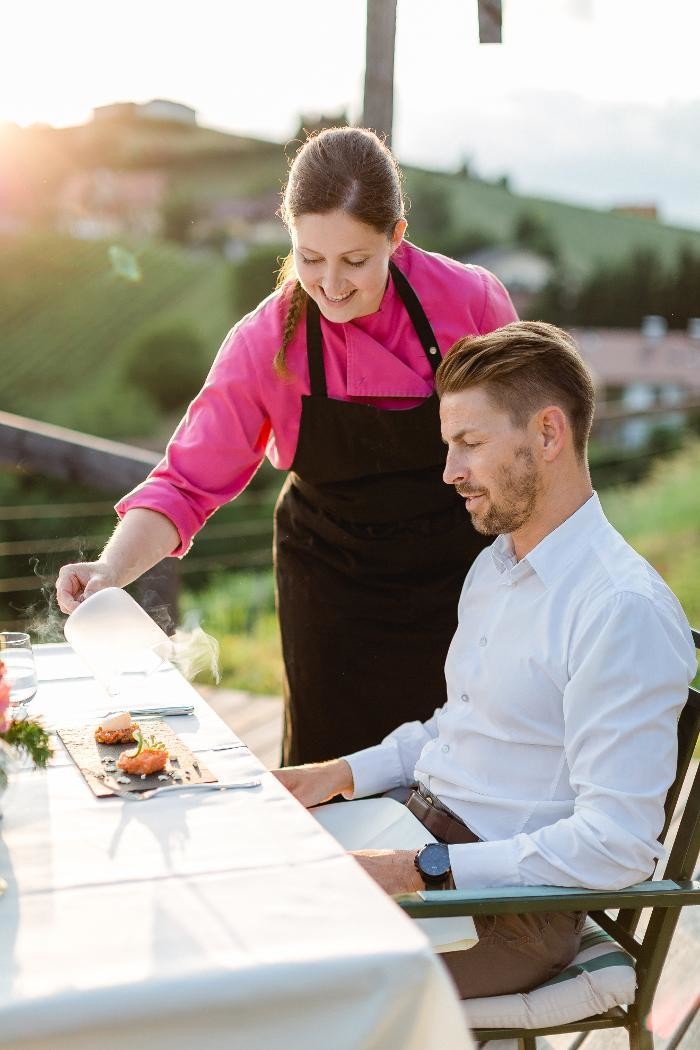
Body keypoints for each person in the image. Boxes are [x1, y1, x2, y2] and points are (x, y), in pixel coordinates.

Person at [55, 126, 517, 765]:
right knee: (331, 768)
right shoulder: (265, 340)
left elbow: (526, 450)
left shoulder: (470, 302)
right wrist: (110, 571)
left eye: (355, 260)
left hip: (458, 579)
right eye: (309, 257)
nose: (329, 284)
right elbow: (186, 482)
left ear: (397, 236)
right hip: (332, 584)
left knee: (460, 768)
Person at [274, 320, 697, 999]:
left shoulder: (621, 610)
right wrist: (339, 773)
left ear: (549, 435)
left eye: (468, 443)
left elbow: (618, 844)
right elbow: (458, 726)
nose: (449, 473)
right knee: (249, 880)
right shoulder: (496, 568)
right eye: (449, 446)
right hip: (424, 828)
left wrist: (422, 868)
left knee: (282, 974)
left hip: (513, 912)